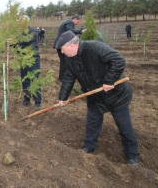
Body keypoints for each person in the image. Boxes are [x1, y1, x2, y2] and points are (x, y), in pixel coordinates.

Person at [55, 30, 139, 166]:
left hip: (116, 95)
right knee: (92, 123)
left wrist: (109, 80)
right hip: (95, 95)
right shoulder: (70, 59)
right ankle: (89, 147)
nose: (62, 52)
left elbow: (119, 60)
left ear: (71, 46)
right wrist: (63, 97)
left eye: (63, 49)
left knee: (124, 126)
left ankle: (132, 155)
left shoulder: (95, 47)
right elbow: (69, 78)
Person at [53, 15, 86, 82]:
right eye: (78, 22)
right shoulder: (69, 22)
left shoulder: (67, 21)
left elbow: (69, 33)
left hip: (61, 44)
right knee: (64, 61)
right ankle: (62, 78)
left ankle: (63, 77)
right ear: (75, 19)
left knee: (65, 61)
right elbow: (70, 31)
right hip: (62, 45)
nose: (77, 24)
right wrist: (80, 31)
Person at [19, 25, 42, 110]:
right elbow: (17, 45)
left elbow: (27, 39)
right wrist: (11, 43)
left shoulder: (34, 31)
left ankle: (37, 102)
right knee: (25, 79)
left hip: (33, 58)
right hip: (23, 59)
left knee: (35, 79)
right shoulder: (20, 33)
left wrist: (15, 39)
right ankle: (27, 99)